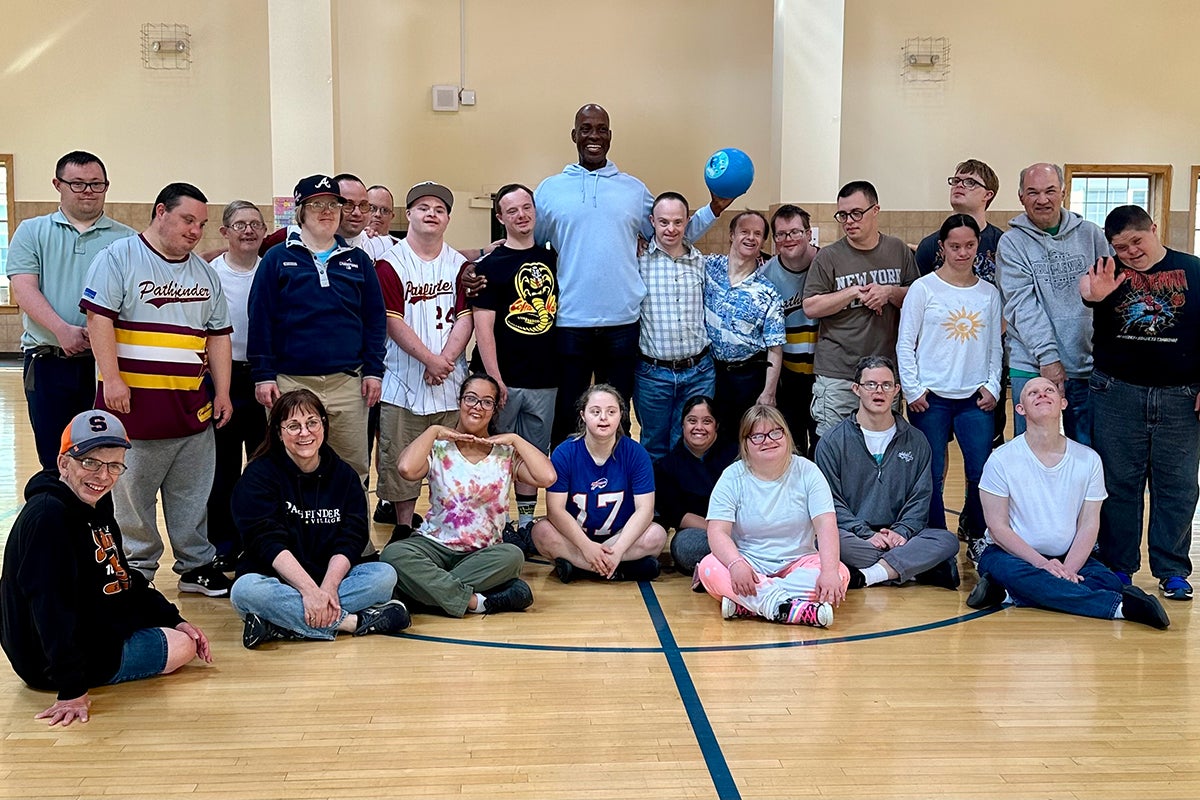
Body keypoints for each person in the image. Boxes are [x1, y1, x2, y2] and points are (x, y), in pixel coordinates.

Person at [534, 103, 734, 444]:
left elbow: (672, 232)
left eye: (601, 129)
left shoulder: (634, 189)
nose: (593, 136)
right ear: (574, 136)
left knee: (617, 416)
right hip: (570, 322)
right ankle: (569, 490)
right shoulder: (549, 191)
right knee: (570, 415)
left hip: (623, 324)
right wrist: (485, 260)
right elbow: (531, 250)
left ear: (610, 136)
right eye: (586, 129)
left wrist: (715, 207)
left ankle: (620, 486)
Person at [1, 410, 212, 727]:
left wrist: (173, 617)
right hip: (46, 662)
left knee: (179, 633)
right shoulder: (48, 517)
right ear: (63, 463)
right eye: (91, 462)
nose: (103, 476)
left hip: (84, 628)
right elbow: (49, 607)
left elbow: (120, 575)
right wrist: (72, 689)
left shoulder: (95, 503)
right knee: (183, 647)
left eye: (114, 466)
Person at [81, 182, 234, 596]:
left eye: (201, 224)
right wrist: (111, 378)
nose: (194, 231)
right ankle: (137, 567)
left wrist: (223, 392)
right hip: (131, 408)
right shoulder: (117, 258)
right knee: (131, 497)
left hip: (190, 408)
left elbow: (218, 335)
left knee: (192, 494)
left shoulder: (204, 273)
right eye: (187, 220)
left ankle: (196, 566)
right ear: (160, 212)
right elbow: (99, 320)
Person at [967, 379, 1170, 630]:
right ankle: (1119, 608)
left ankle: (1008, 594)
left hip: (1069, 556)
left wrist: (1067, 569)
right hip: (1011, 555)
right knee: (1012, 570)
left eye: (1049, 390)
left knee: (1109, 580)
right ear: (1021, 409)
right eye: (1033, 393)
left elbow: (1088, 524)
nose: (1042, 394)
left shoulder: (1088, 460)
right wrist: (1042, 564)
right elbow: (998, 529)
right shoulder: (1000, 460)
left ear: (1063, 403)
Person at [1082, 205, 1200, 601]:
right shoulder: (1106, 271)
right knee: (1118, 484)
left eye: (1137, 241)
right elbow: (1086, 296)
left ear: (1154, 228)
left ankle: (1172, 570)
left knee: (1178, 486)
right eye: (1121, 246)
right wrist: (1093, 298)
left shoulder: (1194, 270)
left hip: (1181, 399)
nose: (1131, 252)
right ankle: (1119, 565)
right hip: (1116, 393)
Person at [230, 389, 409, 648]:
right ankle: (354, 622)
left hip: (331, 582)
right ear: (279, 433)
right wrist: (309, 592)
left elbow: (352, 537)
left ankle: (278, 624)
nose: (305, 433)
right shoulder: (258, 477)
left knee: (384, 575)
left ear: (324, 426)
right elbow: (266, 541)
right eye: (293, 426)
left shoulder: (344, 476)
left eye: (312, 423)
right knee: (245, 591)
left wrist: (327, 588)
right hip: (278, 580)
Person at [248, 174, 386, 489]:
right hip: (290, 382)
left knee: (352, 470)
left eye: (333, 204)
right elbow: (260, 318)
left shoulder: (359, 261)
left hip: (349, 383)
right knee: (288, 467)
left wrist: (374, 371)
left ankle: (354, 539)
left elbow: (375, 321)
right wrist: (263, 374)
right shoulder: (277, 259)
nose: (327, 211)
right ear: (301, 211)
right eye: (317, 204)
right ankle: (292, 539)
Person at [381, 374, 557, 616]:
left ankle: (418, 595)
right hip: (435, 546)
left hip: (483, 553)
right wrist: (433, 431)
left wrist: (515, 439)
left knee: (513, 556)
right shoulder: (438, 447)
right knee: (394, 554)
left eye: (487, 402)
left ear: (495, 409)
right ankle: (476, 601)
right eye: (471, 398)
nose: (477, 407)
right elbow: (406, 469)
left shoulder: (504, 453)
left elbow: (547, 477)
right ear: (460, 401)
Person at [6, 151, 135, 470]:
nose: (88, 191)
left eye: (96, 184)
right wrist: (63, 330)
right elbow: (23, 288)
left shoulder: (126, 239)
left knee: (104, 456)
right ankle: (57, 518)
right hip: (49, 360)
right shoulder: (32, 231)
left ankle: (101, 522)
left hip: (108, 368)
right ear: (58, 184)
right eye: (78, 183)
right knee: (56, 457)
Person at [897, 215, 1002, 553]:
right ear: (942, 247)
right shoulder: (923, 288)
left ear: (978, 247)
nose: (962, 253)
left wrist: (994, 386)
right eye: (954, 246)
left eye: (969, 246)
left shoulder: (988, 293)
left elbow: (995, 346)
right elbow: (905, 343)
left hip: (975, 397)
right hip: (930, 398)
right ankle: (935, 539)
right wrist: (913, 389)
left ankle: (975, 532)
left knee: (980, 471)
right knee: (932, 472)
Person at [375, 182, 473, 542]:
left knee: (449, 457)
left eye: (439, 209)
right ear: (410, 214)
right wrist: (430, 360)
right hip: (404, 378)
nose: (431, 213)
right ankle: (404, 523)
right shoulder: (390, 263)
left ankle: (446, 520)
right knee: (401, 453)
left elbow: (466, 316)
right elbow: (392, 319)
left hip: (448, 378)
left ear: (447, 218)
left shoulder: (460, 264)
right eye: (423, 207)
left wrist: (444, 360)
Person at [814, 356, 960, 590]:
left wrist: (900, 532)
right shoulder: (832, 441)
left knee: (947, 540)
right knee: (823, 540)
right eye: (870, 384)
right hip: (854, 536)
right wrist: (864, 534)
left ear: (896, 390)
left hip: (900, 537)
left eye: (886, 385)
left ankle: (867, 575)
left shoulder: (916, 440)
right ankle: (914, 569)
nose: (878, 391)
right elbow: (830, 502)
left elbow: (921, 497)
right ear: (856, 389)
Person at [696, 405, 848, 626]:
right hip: (748, 562)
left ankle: (751, 604)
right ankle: (789, 608)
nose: (768, 440)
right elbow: (717, 531)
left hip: (798, 561)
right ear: (745, 444)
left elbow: (826, 525)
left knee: (839, 573)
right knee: (709, 568)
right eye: (757, 436)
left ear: (787, 435)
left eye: (776, 432)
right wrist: (736, 564)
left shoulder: (809, 472)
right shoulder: (732, 476)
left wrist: (829, 571)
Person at [997, 162, 1112, 446]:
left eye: (1050, 191)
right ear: (1021, 196)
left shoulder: (1091, 234)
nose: (1042, 199)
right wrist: (1048, 358)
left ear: (1063, 191)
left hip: (1086, 361)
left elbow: (1110, 292)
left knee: (1086, 448)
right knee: (1031, 448)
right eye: (1033, 192)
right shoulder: (1011, 243)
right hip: (1031, 363)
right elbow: (1021, 305)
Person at [469, 183, 559, 536]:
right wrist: (494, 380)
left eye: (526, 208)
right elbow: (484, 327)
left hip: (544, 378)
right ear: (500, 217)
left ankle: (524, 523)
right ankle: (493, 519)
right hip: (503, 378)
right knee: (494, 453)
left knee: (533, 454)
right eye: (512, 211)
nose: (521, 216)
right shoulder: (490, 265)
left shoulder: (553, 258)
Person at [802, 181, 918, 440]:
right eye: (843, 215)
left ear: (875, 210)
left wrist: (888, 292)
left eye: (856, 213)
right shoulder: (829, 257)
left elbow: (917, 297)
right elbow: (810, 306)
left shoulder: (897, 250)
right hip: (838, 374)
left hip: (883, 373)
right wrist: (852, 292)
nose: (849, 221)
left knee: (883, 447)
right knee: (831, 448)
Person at [532, 384, 665, 582]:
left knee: (657, 535)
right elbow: (555, 511)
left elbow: (645, 510)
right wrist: (587, 547)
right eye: (595, 411)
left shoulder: (636, 453)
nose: (603, 417)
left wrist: (618, 549)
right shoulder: (564, 452)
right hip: (576, 538)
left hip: (621, 536)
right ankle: (618, 570)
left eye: (611, 411)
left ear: (621, 415)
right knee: (541, 532)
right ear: (583, 415)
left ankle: (580, 568)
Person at [206, 200, 269, 572]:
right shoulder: (210, 273)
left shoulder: (272, 270)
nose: (248, 230)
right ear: (225, 232)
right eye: (240, 224)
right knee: (224, 468)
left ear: (264, 232)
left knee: (261, 465)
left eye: (255, 224)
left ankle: (258, 541)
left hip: (263, 376)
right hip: (222, 378)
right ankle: (224, 544)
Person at [633, 191, 715, 463]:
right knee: (653, 445)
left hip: (699, 372)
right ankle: (654, 506)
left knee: (693, 445)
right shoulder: (637, 261)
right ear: (652, 222)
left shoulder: (701, 262)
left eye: (678, 222)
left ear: (687, 221)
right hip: (653, 374)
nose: (671, 229)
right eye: (664, 222)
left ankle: (688, 505)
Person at [704, 211, 786, 438]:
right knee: (710, 438)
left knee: (744, 438)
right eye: (745, 231)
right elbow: (679, 250)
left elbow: (775, 348)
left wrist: (768, 392)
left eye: (757, 234)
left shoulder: (768, 292)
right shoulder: (708, 267)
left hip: (748, 377)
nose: (751, 237)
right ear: (732, 235)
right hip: (709, 372)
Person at [654, 396, 736, 575]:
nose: (699, 427)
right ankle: (742, 560)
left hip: (742, 529)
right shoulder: (666, 466)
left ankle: (727, 564)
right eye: (692, 421)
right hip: (704, 532)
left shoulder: (736, 457)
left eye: (707, 421)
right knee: (684, 546)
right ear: (682, 425)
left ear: (716, 426)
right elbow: (678, 515)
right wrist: (721, 534)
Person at [762, 204, 820, 454]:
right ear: (774, 240)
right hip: (787, 376)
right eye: (781, 234)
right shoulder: (767, 275)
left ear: (808, 234)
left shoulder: (827, 264)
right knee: (792, 443)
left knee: (823, 443)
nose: (789, 239)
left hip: (825, 375)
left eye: (795, 232)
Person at [914, 159, 1004, 282]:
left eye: (970, 182)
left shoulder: (1002, 243)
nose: (959, 185)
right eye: (956, 181)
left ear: (987, 195)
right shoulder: (929, 245)